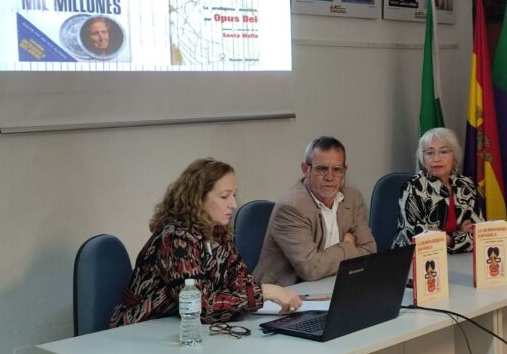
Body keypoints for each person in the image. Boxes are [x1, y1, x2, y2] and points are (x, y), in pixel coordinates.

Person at [110, 158, 301, 327]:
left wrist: (252, 294)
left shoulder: (218, 231)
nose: (234, 204)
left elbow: (242, 285)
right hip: (141, 329)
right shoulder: (176, 239)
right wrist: (266, 292)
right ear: (197, 199)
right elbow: (200, 307)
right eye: (225, 196)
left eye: (234, 195)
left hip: (180, 327)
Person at [253, 136, 377, 286]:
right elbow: (311, 269)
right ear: (306, 169)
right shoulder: (291, 207)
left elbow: (370, 252)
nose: (330, 177)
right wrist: (348, 246)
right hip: (283, 295)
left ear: (344, 172)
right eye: (322, 169)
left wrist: (325, 259)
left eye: (337, 170)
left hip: (330, 286)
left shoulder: (352, 197)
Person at [393, 127, 483, 253]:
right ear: (423, 158)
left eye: (444, 152)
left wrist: (449, 239)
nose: (436, 159)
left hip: (458, 260)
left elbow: (480, 236)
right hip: (414, 262)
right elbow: (419, 241)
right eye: (429, 153)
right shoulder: (413, 188)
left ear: (454, 156)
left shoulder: (466, 185)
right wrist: (460, 235)